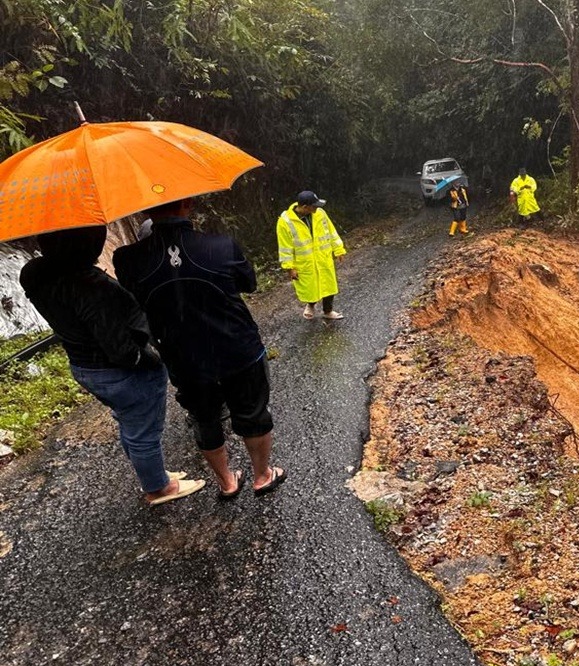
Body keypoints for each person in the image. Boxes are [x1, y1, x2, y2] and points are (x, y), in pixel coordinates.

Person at [19, 225, 205, 506]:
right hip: (119, 371)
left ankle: (153, 473)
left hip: (84, 366)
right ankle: (158, 488)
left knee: (130, 423)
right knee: (143, 431)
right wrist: (152, 360)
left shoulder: (34, 274)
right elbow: (120, 350)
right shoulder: (91, 287)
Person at [114, 197, 284, 497]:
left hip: (183, 357)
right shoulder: (221, 245)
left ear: (143, 210)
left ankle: (227, 483)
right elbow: (248, 283)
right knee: (253, 412)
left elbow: (134, 299)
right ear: (188, 204)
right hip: (237, 347)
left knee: (205, 419)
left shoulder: (127, 258)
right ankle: (262, 475)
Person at [276, 190, 346, 320]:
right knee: (310, 287)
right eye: (314, 206)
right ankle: (311, 305)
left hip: (323, 257)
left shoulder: (320, 214)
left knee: (328, 285)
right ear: (304, 207)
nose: (317, 208)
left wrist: (338, 249)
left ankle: (328, 311)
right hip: (305, 262)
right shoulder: (285, 222)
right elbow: (285, 247)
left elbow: (331, 232)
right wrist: (289, 267)